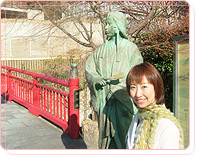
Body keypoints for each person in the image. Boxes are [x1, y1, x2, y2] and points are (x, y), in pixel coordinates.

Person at [85, 11, 143, 149]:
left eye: (109, 24)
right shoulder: (100, 50)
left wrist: (119, 88)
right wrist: (97, 80)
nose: (105, 27)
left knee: (125, 134)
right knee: (106, 138)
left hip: (123, 100)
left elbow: (138, 74)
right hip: (104, 100)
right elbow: (89, 69)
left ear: (117, 26)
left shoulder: (131, 48)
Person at [125, 62, 184, 149]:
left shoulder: (166, 125)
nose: (138, 94)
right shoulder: (138, 117)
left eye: (144, 87)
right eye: (133, 87)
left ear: (156, 87)